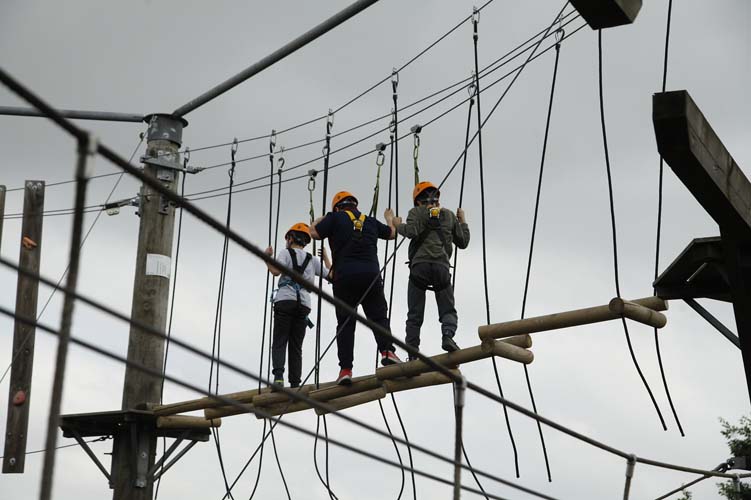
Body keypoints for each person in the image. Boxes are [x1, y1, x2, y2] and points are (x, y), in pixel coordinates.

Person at [311, 191, 402, 386]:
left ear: (337, 207)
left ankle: (345, 370)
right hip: (371, 275)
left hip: (345, 278)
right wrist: (389, 218)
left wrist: (319, 220)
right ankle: (387, 351)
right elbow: (392, 233)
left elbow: (314, 233)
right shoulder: (369, 221)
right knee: (378, 317)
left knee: (345, 323)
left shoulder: (334, 218)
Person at [385, 181, 470, 360]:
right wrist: (462, 220)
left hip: (420, 267)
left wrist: (396, 224)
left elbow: (411, 232)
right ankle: (448, 335)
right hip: (441, 267)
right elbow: (463, 242)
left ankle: (413, 352)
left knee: (414, 314)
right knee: (447, 309)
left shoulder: (416, 212)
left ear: (417, 201)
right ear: (437, 199)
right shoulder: (448, 215)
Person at [265, 222, 331, 388]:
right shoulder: (313, 260)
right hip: (303, 304)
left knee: (280, 341)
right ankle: (295, 383)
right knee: (296, 346)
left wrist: (267, 257)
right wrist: (325, 257)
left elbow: (275, 271)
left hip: (285, 300)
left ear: (290, 238)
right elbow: (332, 275)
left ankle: (278, 377)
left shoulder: (285, 253)